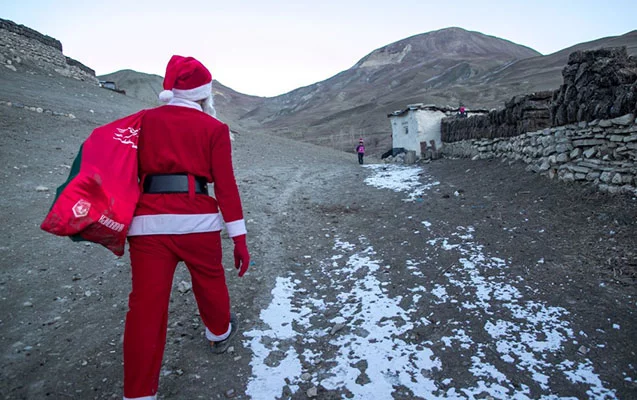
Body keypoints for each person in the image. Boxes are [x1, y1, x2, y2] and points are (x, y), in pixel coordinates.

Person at [123, 55, 250, 400]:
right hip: (198, 221)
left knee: (145, 309)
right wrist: (239, 238)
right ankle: (219, 333)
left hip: (147, 224)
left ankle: (137, 394)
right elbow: (226, 186)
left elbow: (124, 170)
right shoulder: (215, 128)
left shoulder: (143, 121)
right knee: (210, 282)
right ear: (204, 94)